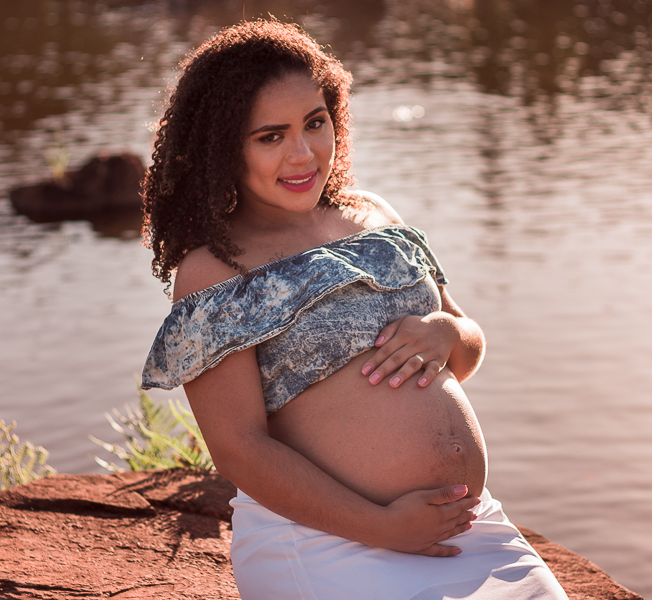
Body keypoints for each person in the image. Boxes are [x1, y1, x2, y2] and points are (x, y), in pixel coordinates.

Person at [140, 19, 568, 600]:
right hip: (325, 542)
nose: (303, 153)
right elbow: (240, 447)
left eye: (315, 123)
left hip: (469, 528)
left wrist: (444, 331)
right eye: (271, 136)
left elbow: (464, 348)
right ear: (223, 149)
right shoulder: (216, 269)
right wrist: (382, 527)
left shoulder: (373, 215)